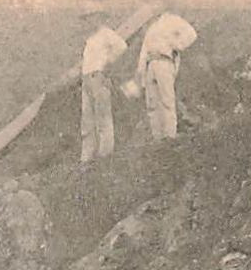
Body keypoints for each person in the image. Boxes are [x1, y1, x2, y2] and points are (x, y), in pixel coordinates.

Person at [133, 12, 198, 140]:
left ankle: (170, 135)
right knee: (152, 103)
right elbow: (144, 51)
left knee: (167, 99)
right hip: (150, 65)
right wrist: (141, 72)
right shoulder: (152, 27)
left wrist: (177, 45)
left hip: (164, 62)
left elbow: (191, 34)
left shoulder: (173, 19)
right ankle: (158, 137)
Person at [80, 24, 127, 162]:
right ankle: (87, 156)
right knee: (87, 118)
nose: (89, 21)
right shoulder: (90, 38)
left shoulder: (106, 33)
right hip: (87, 79)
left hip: (99, 77)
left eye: (91, 17)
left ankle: (105, 153)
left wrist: (107, 66)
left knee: (103, 117)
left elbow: (122, 47)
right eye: (87, 19)